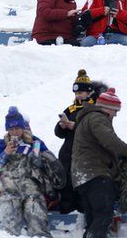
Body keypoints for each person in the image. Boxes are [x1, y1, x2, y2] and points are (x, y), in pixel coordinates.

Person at [0, 106, 62, 238]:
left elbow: (50, 164)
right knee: (9, 228)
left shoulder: (35, 142)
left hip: (32, 188)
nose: (15, 132)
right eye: (11, 129)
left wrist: (37, 158)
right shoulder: (1, 144)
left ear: (23, 127)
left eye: (17, 128)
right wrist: (5, 153)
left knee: (37, 220)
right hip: (8, 189)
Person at [72, 89, 127, 238]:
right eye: (114, 110)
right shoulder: (97, 118)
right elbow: (109, 139)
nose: (115, 115)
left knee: (94, 218)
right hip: (95, 174)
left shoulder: (88, 118)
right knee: (104, 215)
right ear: (106, 107)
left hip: (83, 175)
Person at [53, 70, 105, 214]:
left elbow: (94, 132)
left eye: (81, 93)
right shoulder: (70, 109)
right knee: (66, 187)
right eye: (76, 93)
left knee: (82, 188)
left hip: (85, 155)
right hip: (68, 155)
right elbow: (58, 134)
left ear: (89, 93)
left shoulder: (95, 109)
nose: (78, 96)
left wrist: (75, 127)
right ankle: (66, 216)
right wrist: (62, 126)